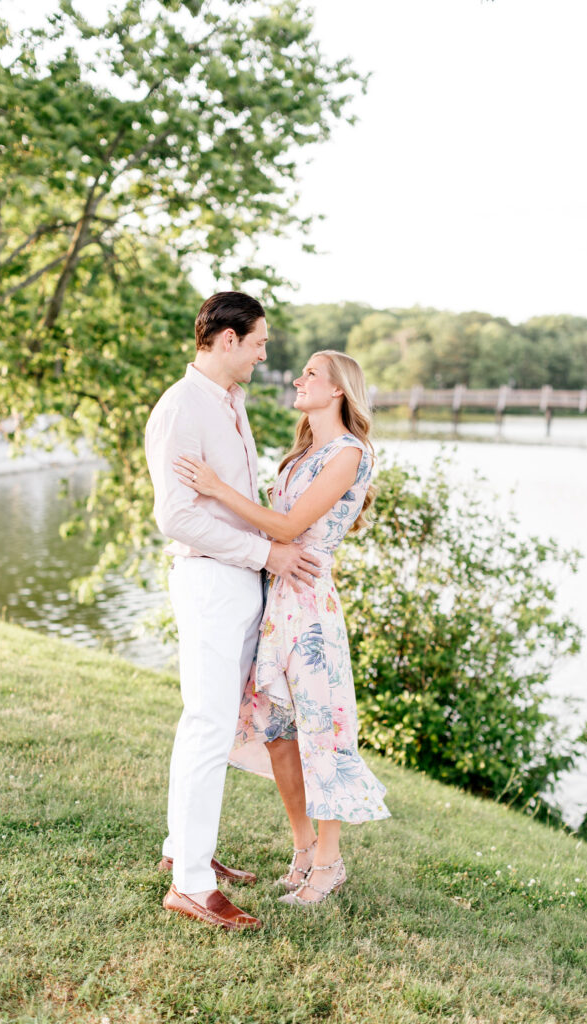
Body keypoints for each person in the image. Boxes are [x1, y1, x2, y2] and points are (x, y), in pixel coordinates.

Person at [174, 349, 390, 909]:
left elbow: (291, 526)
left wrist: (218, 488)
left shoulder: (349, 453)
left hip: (311, 606)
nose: (298, 378)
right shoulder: (301, 455)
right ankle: (301, 850)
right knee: (277, 732)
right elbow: (278, 530)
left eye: (311, 374)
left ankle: (329, 862)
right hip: (277, 600)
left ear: (338, 390)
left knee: (323, 729)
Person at [145, 292, 320, 932]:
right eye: (258, 343)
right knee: (207, 726)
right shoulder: (181, 408)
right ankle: (190, 887)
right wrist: (263, 552)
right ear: (225, 340)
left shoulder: (231, 403)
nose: (265, 353)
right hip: (212, 583)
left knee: (212, 728)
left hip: (239, 583)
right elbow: (176, 515)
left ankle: (184, 853)